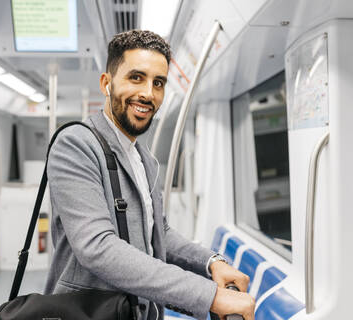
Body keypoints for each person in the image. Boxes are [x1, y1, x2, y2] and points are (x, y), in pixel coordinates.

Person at [44, 30, 255, 320]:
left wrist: (211, 262)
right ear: (107, 83)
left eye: (158, 83)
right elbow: (96, 246)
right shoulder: (75, 145)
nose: (148, 93)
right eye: (136, 77)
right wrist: (209, 295)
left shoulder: (144, 159)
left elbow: (159, 233)